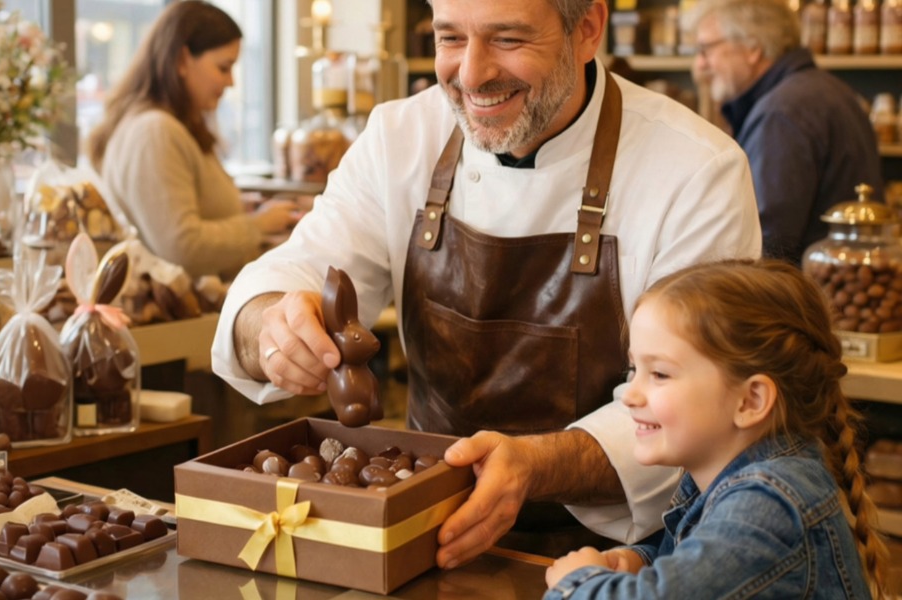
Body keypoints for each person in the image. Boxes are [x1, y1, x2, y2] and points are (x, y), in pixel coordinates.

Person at [212, 0, 762, 567]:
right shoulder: (400, 137)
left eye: (508, 39)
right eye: (450, 38)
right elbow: (298, 269)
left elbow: (697, 406)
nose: (471, 75)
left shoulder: (696, 171)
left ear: (588, 29)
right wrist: (273, 324)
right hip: (421, 535)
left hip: (616, 561)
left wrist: (537, 464)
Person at [544, 259, 891, 599]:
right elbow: (698, 565)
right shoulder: (723, 475)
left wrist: (578, 583)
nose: (630, 395)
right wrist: (638, 561)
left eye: (660, 374)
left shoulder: (770, 505)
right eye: (633, 370)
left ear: (750, 401)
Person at [87, 0, 296, 279]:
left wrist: (238, 206)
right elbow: (181, 247)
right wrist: (257, 226)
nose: (231, 82)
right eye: (223, 68)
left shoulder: (165, 127)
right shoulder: (156, 131)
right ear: (183, 60)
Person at [689, 0, 883, 264]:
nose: (699, 65)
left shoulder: (781, 113)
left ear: (752, 48)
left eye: (705, 49)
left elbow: (764, 245)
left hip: (808, 298)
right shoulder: (824, 90)